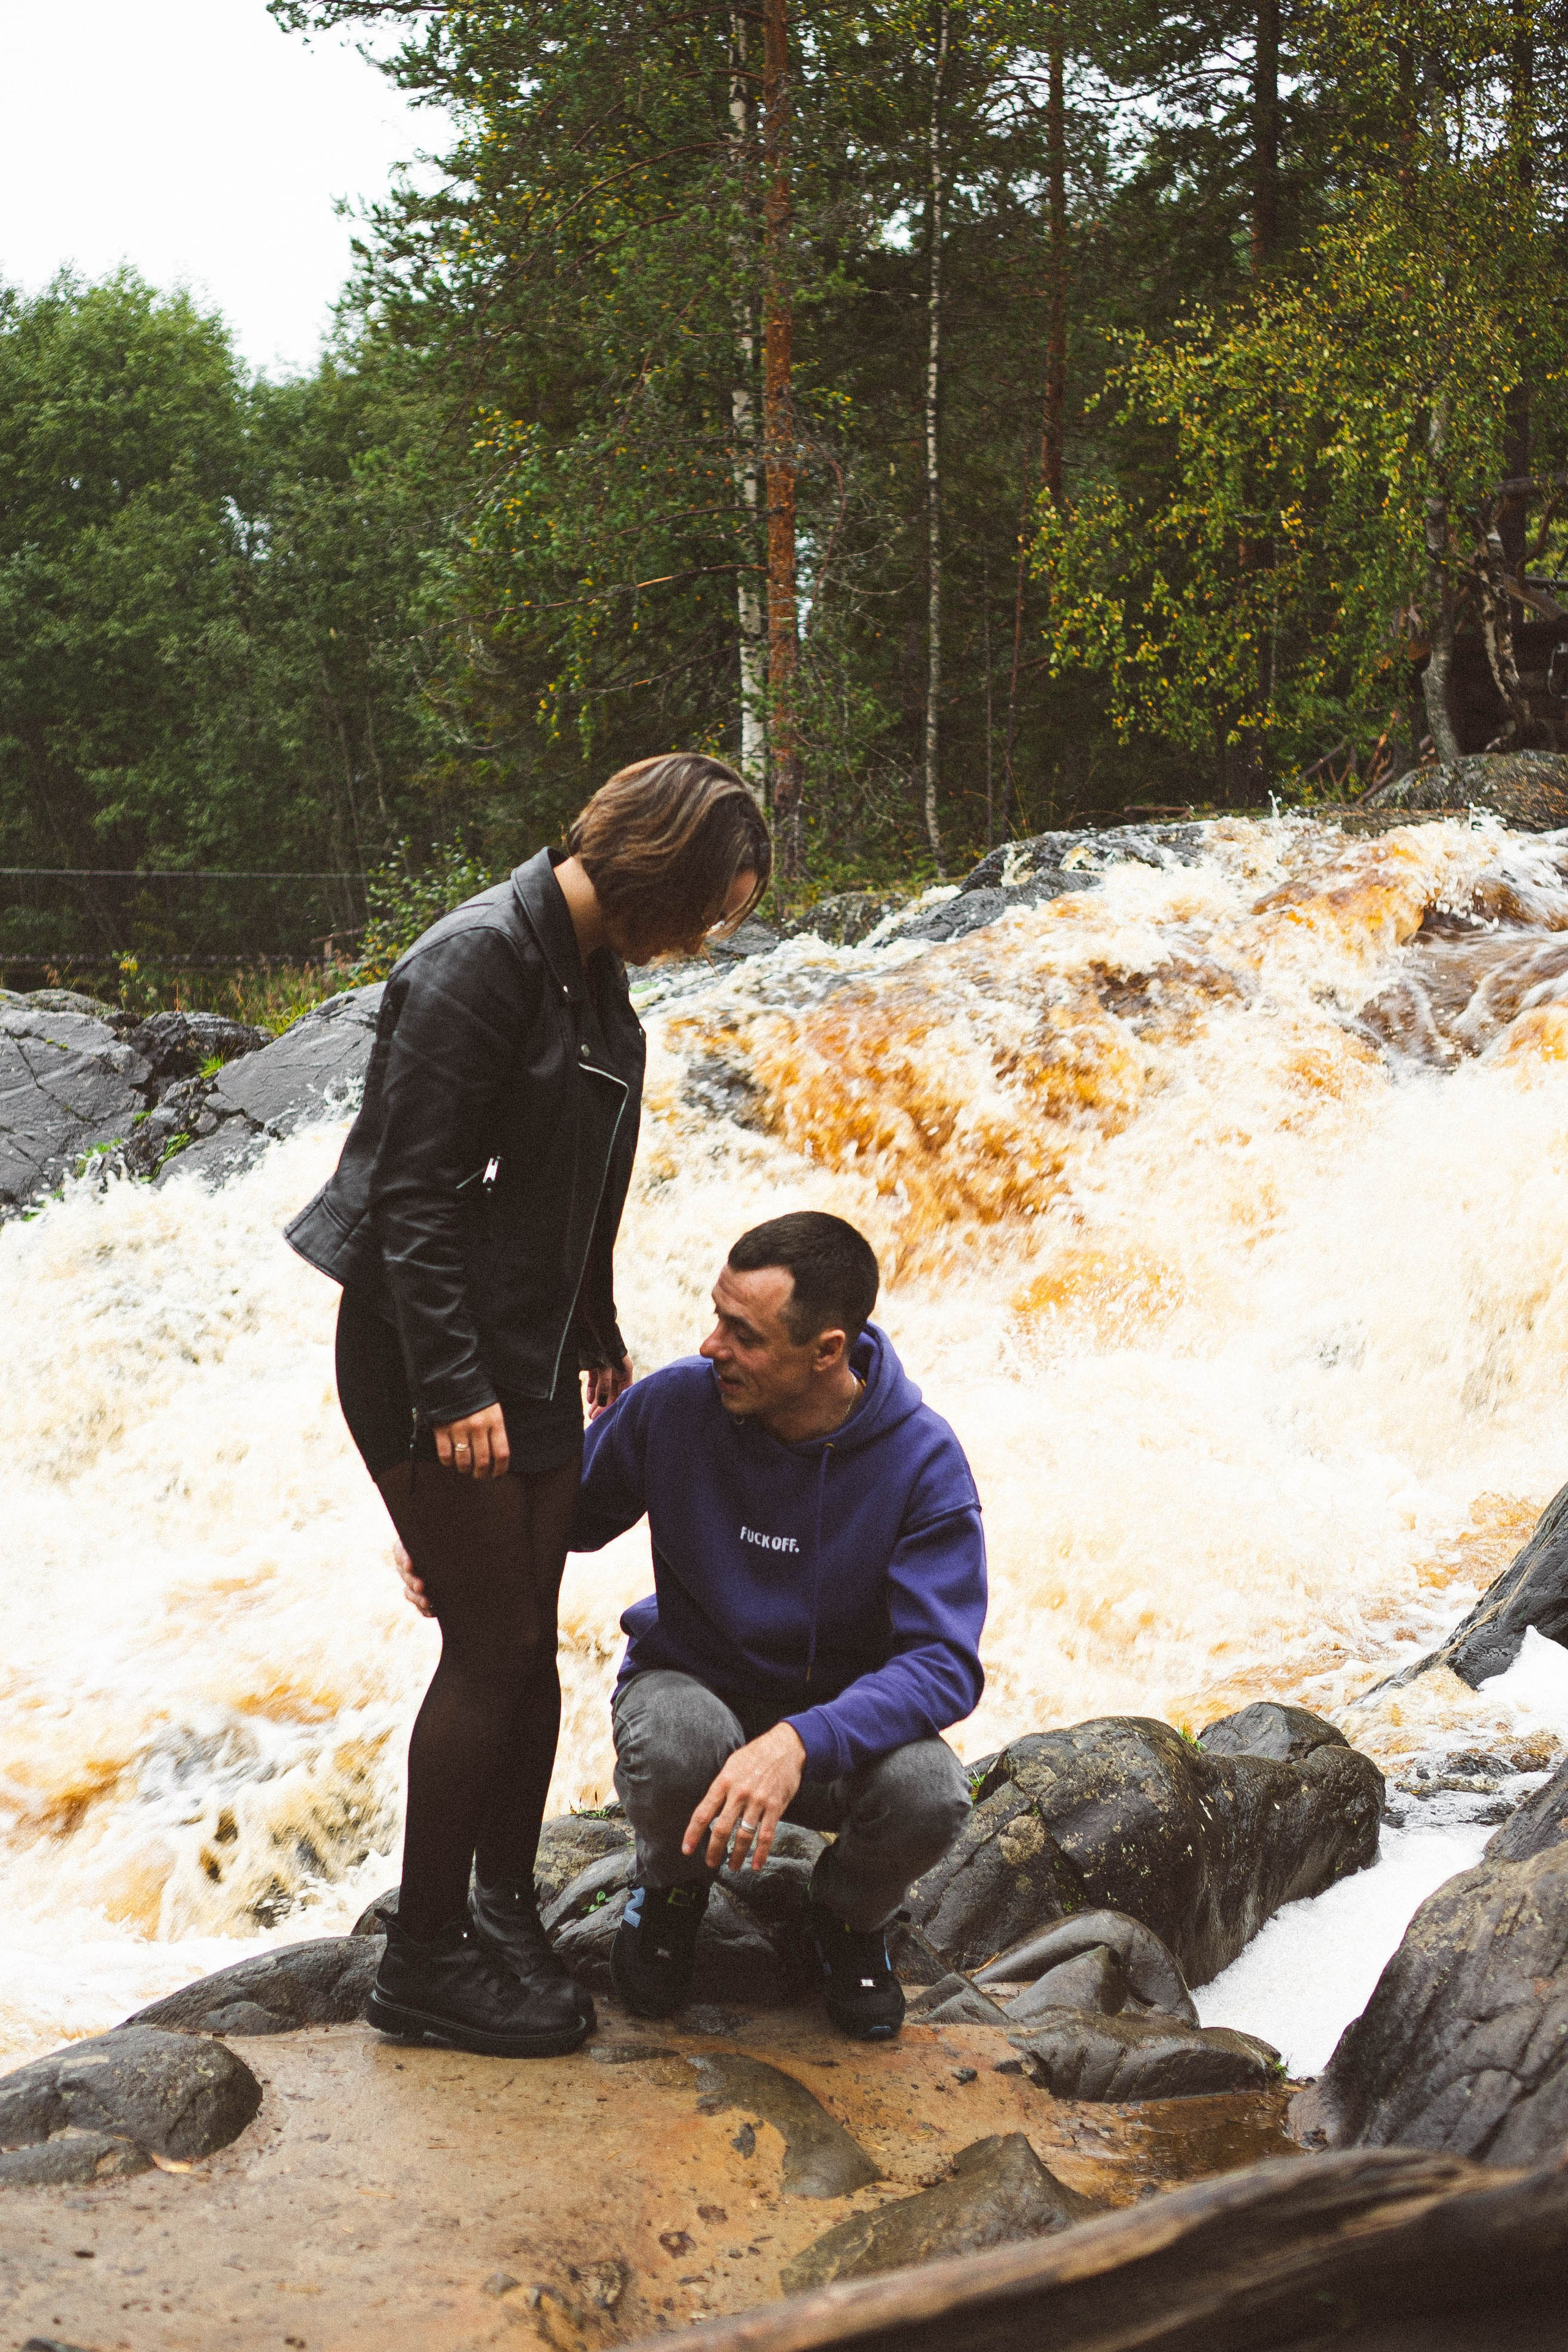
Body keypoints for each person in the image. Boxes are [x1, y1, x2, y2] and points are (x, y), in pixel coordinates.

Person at [284, 753, 769, 2060]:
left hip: (534, 1346)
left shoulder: (592, 973)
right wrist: (454, 1389)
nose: (707, 936)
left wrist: (595, 1324)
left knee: (528, 1645)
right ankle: (424, 1958)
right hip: (424, 1351)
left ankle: (502, 1911)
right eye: (710, 907)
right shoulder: (477, 961)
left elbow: (573, 1178)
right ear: (660, 868)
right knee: (487, 1647)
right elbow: (412, 1193)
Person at [510, 1212, 985, 2041]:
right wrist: (456, 1541)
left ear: (827, 1351)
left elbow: (945, 1665)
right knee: (677, 1741)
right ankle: (669, 1890)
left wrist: (799, 1741)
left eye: (744, 1334)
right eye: (717, 1317)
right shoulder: (676, 1405)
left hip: (833, 1738)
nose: (711, 1346)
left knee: (930, 1794)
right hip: (696, 1687)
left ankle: (847, 1917)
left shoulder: (922, 1460)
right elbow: (563, 1514)